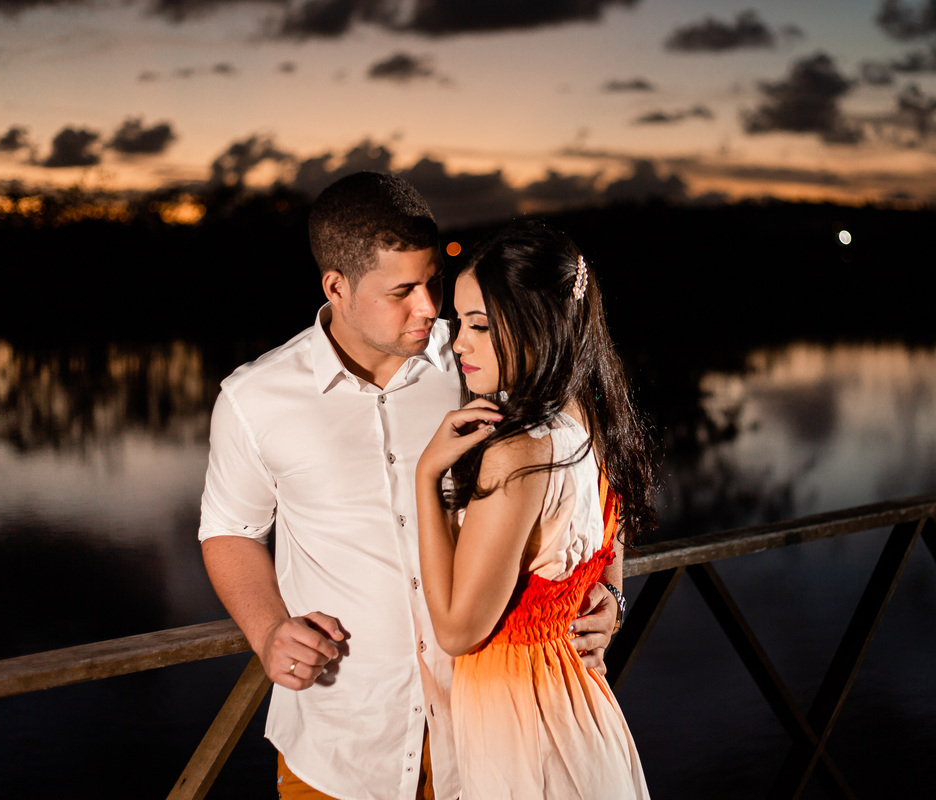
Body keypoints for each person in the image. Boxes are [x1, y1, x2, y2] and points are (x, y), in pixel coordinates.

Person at [197, 173, 622, 800]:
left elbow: (584, 476)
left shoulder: (481, 358)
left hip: (485, 737)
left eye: (434, 281)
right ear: (336, 287)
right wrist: (267, 632)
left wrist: (609, 589)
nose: (429, 307)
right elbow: (228, 531)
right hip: (342, 744)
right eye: (403, 290)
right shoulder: (254, 400)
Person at [415, 221, 656, 799]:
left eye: (480, 325)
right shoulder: (593, 424)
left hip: (523, 728)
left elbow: (456, 629)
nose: (459, 343)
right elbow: (606, 539)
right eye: (459, 323)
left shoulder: (519, 452)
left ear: (536, 327)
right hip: (574, 709)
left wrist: (425, 478)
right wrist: (614, 596)